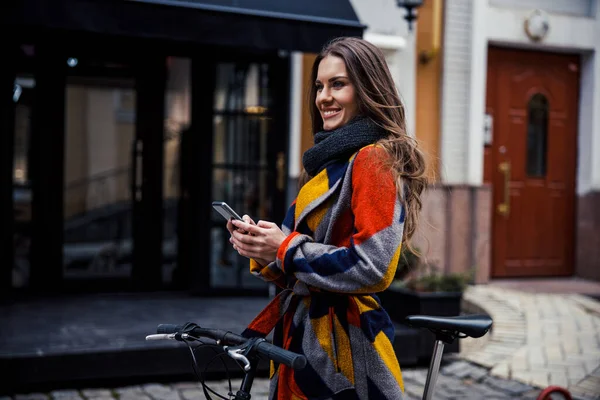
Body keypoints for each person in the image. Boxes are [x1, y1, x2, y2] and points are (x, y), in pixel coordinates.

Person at [226, 36, 426, 400]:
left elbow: (375, 266)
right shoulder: (328, 162)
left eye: (338, 84)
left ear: (366, 88)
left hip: (344, 345)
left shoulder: (373, 159)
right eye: (319, 86)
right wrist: (262, 247)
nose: (323, 97)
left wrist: (284, 248)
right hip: (304, 337)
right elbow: (298, 260)